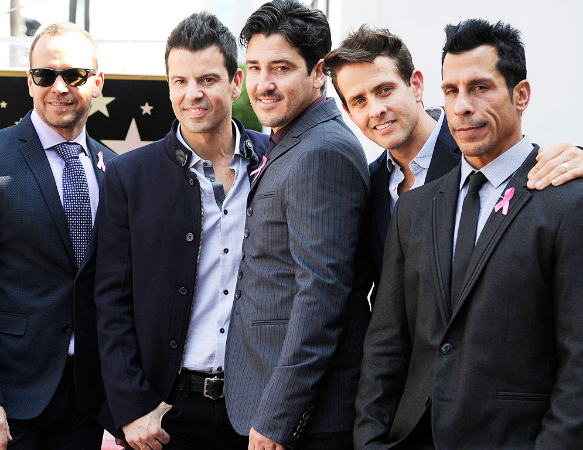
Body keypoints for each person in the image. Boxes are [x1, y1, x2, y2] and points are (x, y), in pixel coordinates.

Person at [354, 18, 583, 449]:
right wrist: (370, 440)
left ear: (521, 95)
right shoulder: (414, 209)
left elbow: (578, 362)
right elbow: (385, 345)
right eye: (451, 90)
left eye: (480, 88)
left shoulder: (567, 199)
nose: (461, 106)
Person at [94, 12, 268, 450]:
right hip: (166, 413)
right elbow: (111, 302)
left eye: (207, 79)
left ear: (236, 82)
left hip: (257, 412)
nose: (193, 94)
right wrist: (132, 407)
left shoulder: (275, 160)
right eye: (180, 81)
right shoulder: (128, 176)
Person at [325, 25, 583, 299]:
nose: (376, 110)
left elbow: (529, 167)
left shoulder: (478, 148)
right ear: (348, 113)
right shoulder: (370, 184)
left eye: (385, 90)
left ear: (416, 85)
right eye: (359, 101)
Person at [224, 1, 371, 449]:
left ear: (318, 71)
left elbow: (321, 296)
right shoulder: (293, 139)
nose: (262, 84)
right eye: (254, 67)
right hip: (272, 402)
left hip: (306, 422)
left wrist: (277, 417)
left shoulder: (322, 151)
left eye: (281, 68)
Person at [0, 22, 116, 450]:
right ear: (29, 82)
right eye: (44, 75)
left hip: (87, 401)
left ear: (96, 82)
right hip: (10, 401)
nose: (59, 87)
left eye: (73, 75)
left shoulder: (116, 169)